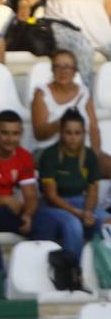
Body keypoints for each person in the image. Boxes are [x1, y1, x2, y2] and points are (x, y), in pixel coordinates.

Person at [0, 110, 81, 273]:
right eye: (5, 133)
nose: (10, 139)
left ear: (21, 134)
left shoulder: (23, 156)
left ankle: (30, 273)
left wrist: (27, 214)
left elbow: (31, 195)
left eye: (15, 133)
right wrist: (6, 200)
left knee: (46, 222)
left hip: (2, 211)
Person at [38, 109, 106, 257]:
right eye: (68, 133)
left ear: (84, 134)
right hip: (53, 206)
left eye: (77, 133)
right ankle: (72, 268)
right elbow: (51, 196)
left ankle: (104, 266)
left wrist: (88, 212)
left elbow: (93, 191)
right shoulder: (50, 154)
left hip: (81, 202)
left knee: (107, 221)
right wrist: (77, 213)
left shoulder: (89, 155)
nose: (73, 138)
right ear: (61, 133)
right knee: (73, 224)